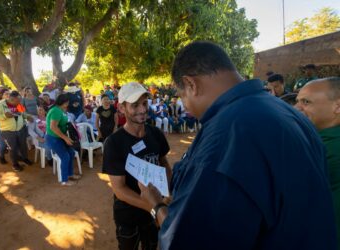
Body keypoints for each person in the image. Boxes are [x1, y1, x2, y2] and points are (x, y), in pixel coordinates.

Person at [138, 41, 337, 250]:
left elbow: (183, 240)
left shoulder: (223, 140)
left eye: (182, 96)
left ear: (191, 85)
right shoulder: (291, 114)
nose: (186, 107)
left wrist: (156, 206)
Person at [103, 82, 171, 250]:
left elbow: (164, 163)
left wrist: (167, 193)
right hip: (128, 215)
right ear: (121, 108)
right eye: (135, 105)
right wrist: (154, 207)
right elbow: (119, 189)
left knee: (152, 246)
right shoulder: (114, 143)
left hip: (154, 213)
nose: (142, 110)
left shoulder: (155, 134)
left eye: (144, 103)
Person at [295, 77, 340, 246]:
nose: (296, 108)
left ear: (338, 106)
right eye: (297, 101)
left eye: (306, 102)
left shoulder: (323, 148)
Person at [0, 91, 33, 172]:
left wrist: (28, 116)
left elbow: (23, 113)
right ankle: (15, 164)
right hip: (8, 131)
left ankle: (25, 158)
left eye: (20, 101)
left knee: (23, 146)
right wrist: (4, 116)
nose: (19, 103)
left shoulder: (19, 104)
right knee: (12, 148)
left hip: (20, 129)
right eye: (17, 101)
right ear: (11, 99)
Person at [46, 93, 80, 186]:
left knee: (71, 153)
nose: (68, 104)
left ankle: (70, 174)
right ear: (63, 102)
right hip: (54, 138)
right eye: (67, 102)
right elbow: (53, 127)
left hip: (61, 137)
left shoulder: (61, 110)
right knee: (65, 157)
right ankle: (64, 180)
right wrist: (65, 138)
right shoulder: (56, 111)